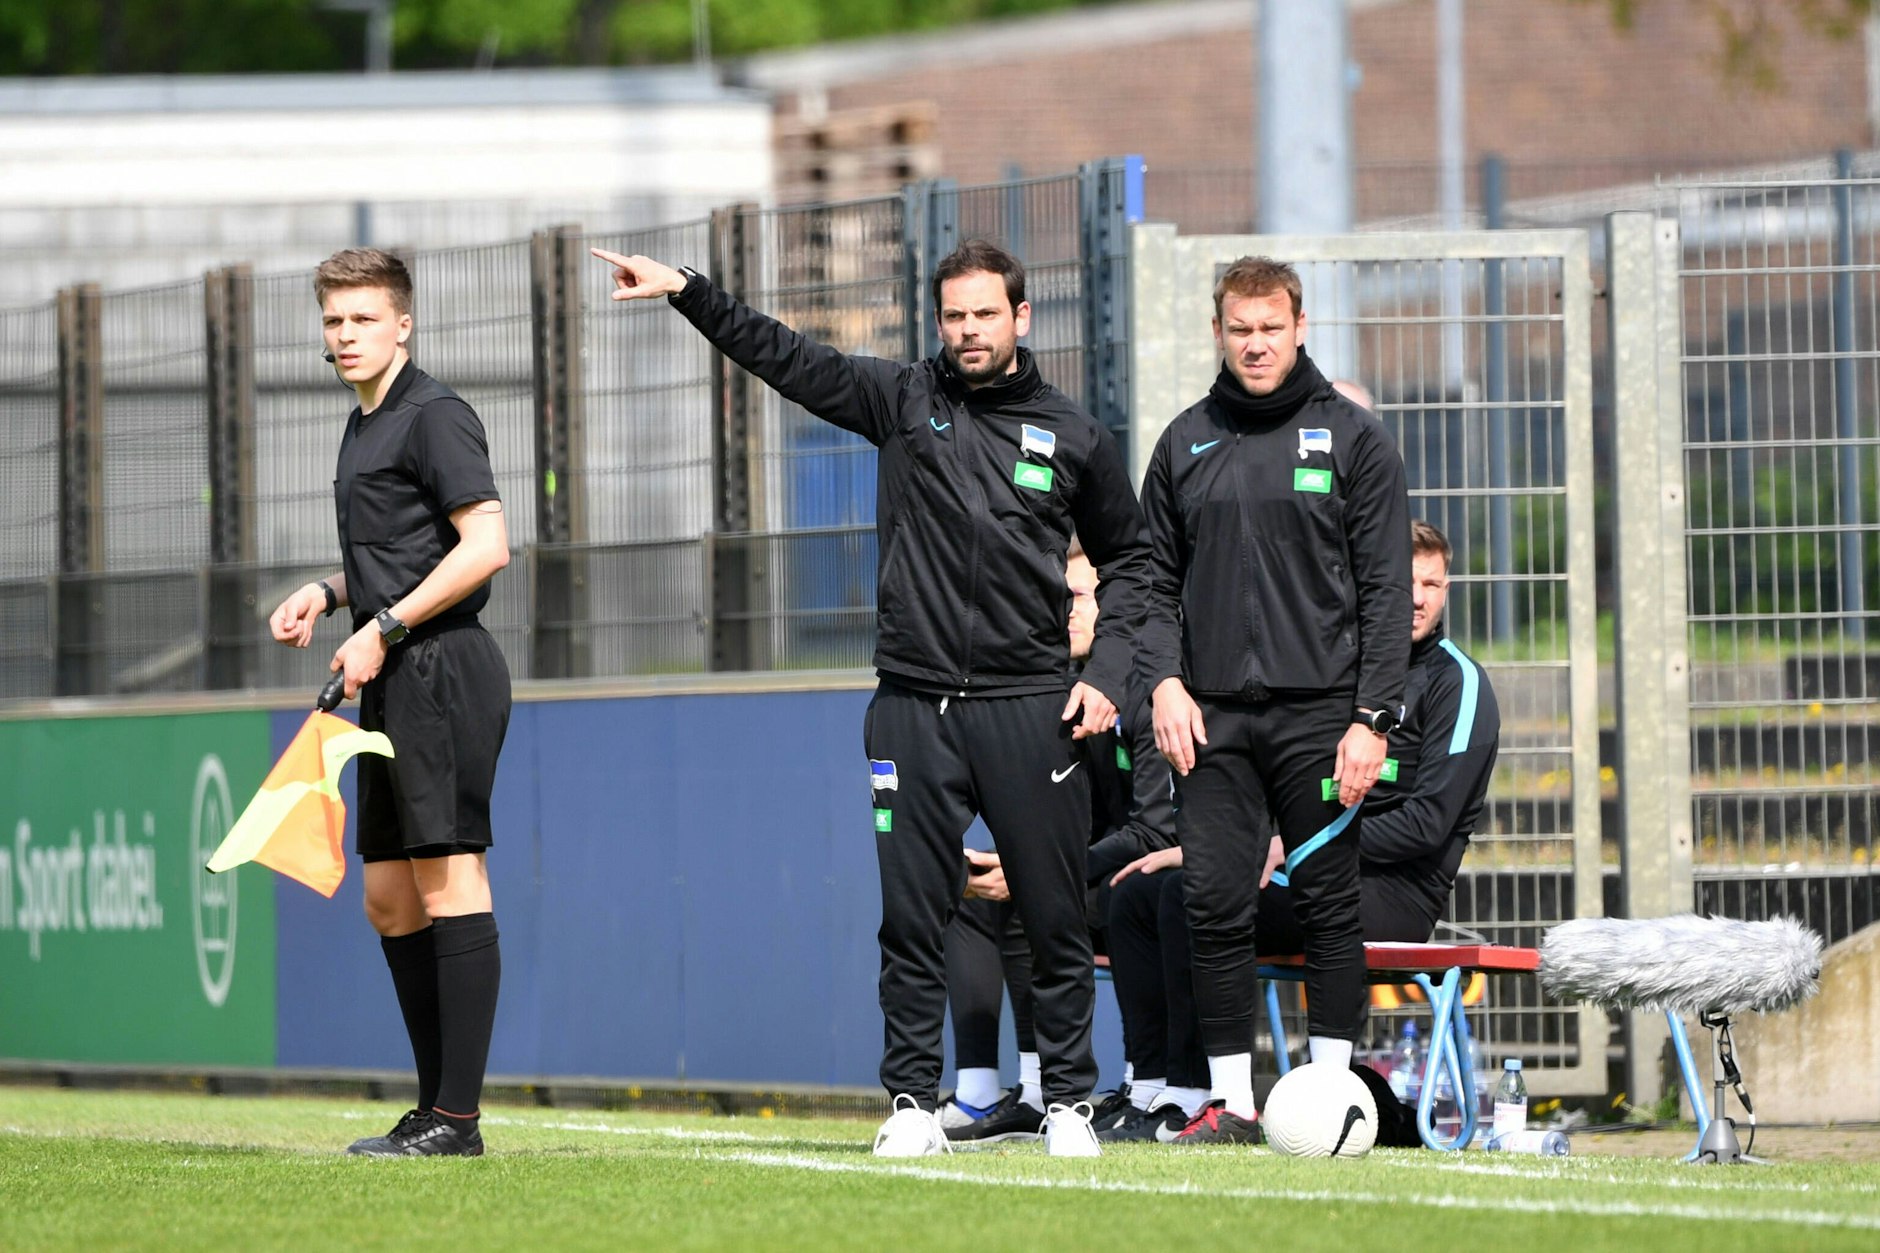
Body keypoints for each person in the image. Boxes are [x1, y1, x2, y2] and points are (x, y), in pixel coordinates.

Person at [593, 239, 1153, 1158]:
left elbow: (1132, 563)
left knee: (1053, 912)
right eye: (953, 316)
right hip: (913, 705)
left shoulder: (1076, 436)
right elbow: (787, 358)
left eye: (985, 314)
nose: (968, 331)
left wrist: (1106, 677)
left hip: (1031, 703)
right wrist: (688, 293)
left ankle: (1069, 1106)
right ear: (939, 321)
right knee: (911, 914)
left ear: (1022, 317)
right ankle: (909, 1101)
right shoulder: (900, 400)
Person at [1103, 519, 1499, 1142]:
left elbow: (1427, 825)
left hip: (1393, 891)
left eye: (1433, 583)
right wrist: (1216, 849)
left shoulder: (1459, 683)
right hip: (1301, 862)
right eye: (1404, 582)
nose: (1419, 598)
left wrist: (1294, 846)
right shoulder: (1344, 676)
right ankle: (1151, 1088)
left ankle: (1200, 1094)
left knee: (1190, 900)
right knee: (1140, 896)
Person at [1138, 255, 1412, 1143]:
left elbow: (1383, 588)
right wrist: (1166, 682)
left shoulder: (1355, 440)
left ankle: (1333, 1095)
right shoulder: (1184, 442)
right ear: (1216, 332)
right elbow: (1146, 582)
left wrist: (1373, 717)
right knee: (1212, 903)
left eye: (1271, 327)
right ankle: (1233, 1103)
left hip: (1322, 718)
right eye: (1239, 328)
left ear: (1300, 328)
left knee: (1330, 905)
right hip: (1211, 721)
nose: (1255, 344)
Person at [268, 248, 512, 1158]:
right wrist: (331, 594)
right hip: (395, 665)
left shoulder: (434, 414)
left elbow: (487, 545)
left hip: (442, 668)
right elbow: (405, 551)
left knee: (451, 879)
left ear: (402, 323)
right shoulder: (363, 421)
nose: (345, 336)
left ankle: (458, 1119)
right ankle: (433, 1105)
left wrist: (384, 626)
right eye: (334, 321)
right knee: (387, 896)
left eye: (363, 319)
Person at [940, 543, 1175, 1144]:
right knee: (972, 891)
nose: (1065, 611)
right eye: (1059, 597)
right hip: (1089, 877)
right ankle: (982, 1093)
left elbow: (1152, 830)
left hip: (1138, 878)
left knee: (1038, 895)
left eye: (1079, 598)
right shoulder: (1058, 691)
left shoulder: (1149, 691)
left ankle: (1071, 1092)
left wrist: (1043, 872)